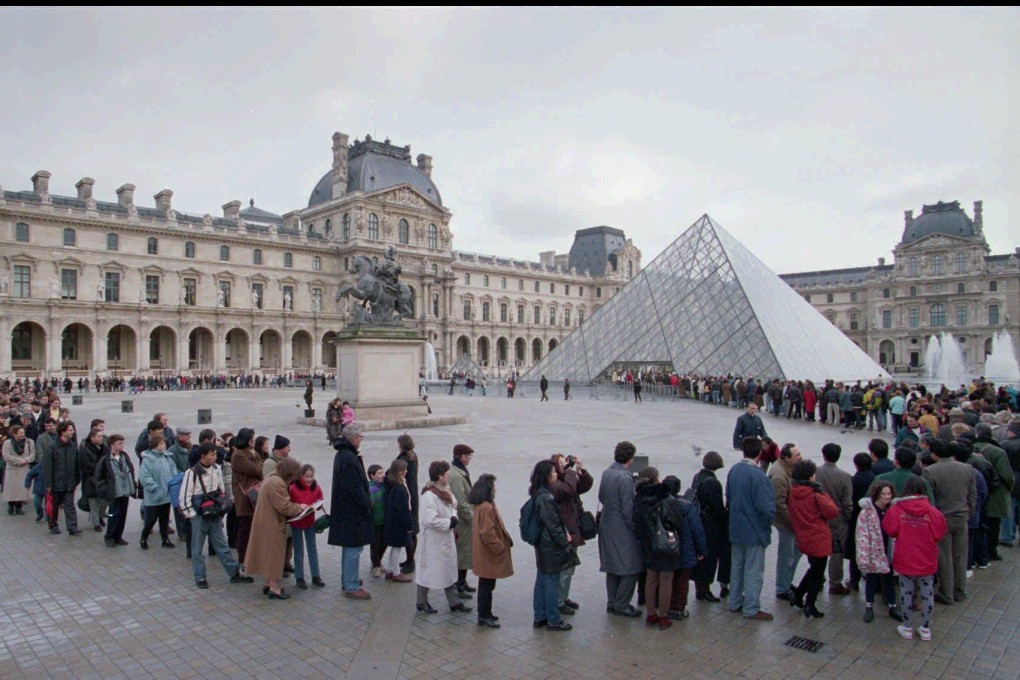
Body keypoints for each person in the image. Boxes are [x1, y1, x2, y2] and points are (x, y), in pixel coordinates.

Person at [179, 442, 254, 589]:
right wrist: (192, 514)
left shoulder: (216, 469)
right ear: (203, 456)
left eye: (215, 454)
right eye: (212, 454)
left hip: (214, 513)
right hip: (199, 515)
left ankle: (233, 572)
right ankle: (200, 576)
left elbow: (221, 489)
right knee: (197, 549)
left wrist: (221, 507)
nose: (215, 457)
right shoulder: (192, 473)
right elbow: (184, 496)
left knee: (222, 545)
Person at [883, 476, 948, 641]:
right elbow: (939, 534)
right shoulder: (933, 512)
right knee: (927, 592)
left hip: (905, 555)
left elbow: (890, 529)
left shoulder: (898, 509)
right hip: (926, 556)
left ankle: (907, 627)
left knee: (906, 591)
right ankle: (925, 628)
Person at [726, 436, 777, 620]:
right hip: (754, 529)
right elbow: (766, 507)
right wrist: (767, 524)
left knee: (737, 567)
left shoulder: (734, 470)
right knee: (754, 570)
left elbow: (729, 497)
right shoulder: (758, 475)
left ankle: (734, 602)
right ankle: (751, 608)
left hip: (736, 527)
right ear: (759, 453)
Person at [922, 439, 976, 605]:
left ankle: (946, 593)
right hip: (961, 517)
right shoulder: (967, 468)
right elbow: (972, 496)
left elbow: (929, 500)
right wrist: (968, 513)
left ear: (934, 453)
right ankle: (960, 591)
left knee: (944, 557)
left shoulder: (930, 471)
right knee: (960, 556)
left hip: (942, 518)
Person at [246, 457, 308, 599]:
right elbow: (284, 506)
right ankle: (274, 588)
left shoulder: (272, 478)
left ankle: (268, 584)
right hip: (271, 523)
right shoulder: (277, 483)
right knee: (274, 554)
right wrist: (300, 507)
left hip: (266, 520)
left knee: (268, 553)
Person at [416, 460, 472, 615]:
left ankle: (455, 602)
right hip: (434, 540)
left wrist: (453, 518)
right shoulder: (429, 495)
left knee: (448, 569)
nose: (449, 477)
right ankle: (421, 601)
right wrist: (449, 523)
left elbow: (453, 506)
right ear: (440, 476)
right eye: (447, 474)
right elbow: (429, 520)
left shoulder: (445, 490)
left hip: (445, 538)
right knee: (429, 571)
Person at [327, 423, 374, 600]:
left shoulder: (345, 455)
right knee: (354, 547)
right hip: (351, 512)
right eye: (360, 437)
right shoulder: (348, 458)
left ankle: (348, 578)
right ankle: (351, 585)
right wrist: (367, 503)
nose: (361, 440)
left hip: (346, 510)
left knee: (350, 547)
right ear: (353, 439)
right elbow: (354, 488)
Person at [786, 460, 838, 618]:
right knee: (817, 573)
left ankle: (798, 596)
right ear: (810, 476)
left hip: (803, 536)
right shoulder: (815, 494)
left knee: (813, 569)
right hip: (819, 537)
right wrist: (824, 493)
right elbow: (833, 511)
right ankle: (810, 604)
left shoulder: (793, 492)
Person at [598, 441, 644, 617]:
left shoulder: (607, 472)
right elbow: (628, 510)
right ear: (631, 458)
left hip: (607, 524)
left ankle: (612, 601)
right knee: (630, 567)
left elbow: (601, 496)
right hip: (622, 529)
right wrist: (637, 529)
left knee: (612, 567)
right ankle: (622, 604)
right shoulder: (625, 478)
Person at [530, 459, 574, 631]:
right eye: (554, 473)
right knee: (551, 583)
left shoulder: (537, 493)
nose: (556, 474)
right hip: (550, 546)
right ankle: (553, 620)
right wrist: (565, 543)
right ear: (546, 476)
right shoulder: (546, 497)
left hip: (542, 544)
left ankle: (540, 616)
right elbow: (553, 525)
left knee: (542, 580)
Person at [549, 453, 593, 615]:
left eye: (565, 462)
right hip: (565, 531)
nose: (564, 465)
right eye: (561, 463)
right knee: (564, 568)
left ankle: (563, 596)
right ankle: (559, 601)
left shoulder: (567, 479)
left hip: (573, 528)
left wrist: (582, 471)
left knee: (570, 567)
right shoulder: (556, 484)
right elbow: (568, 491)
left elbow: (584, 487)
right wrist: (571, 472)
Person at [662, 475, 708, 622]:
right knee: (682, 580)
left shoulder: (659, 504)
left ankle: (667, 607)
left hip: (666, 548)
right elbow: (697, 530)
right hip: (685, 549)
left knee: (668, 580)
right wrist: (701, 550)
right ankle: (679, 609)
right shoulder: (687, 507)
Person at [469, 473, 513, 628]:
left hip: (483, 553)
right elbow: (487, 532)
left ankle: (486, 613)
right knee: (487, 585)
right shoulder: (486, 507)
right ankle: (484, 615)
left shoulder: (480, 505)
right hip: (488, 554)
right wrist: (499, 547)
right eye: (493, 487)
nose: (495, 490)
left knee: (486, 584)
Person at [855, 480, 902, 622]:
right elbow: (862, 534)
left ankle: (892, 606)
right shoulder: (866, 512)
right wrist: (864, 555)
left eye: (889, 493)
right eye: (883, 494)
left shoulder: (893, 509)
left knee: (890, 580)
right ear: (876, 494)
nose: (887, 497)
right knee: (871, 579)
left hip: (889, 549)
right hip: (873, 551)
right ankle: (869, 607)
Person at [814, 443, 853, 595]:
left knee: (819, 550)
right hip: (838, 519)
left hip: (819, 517)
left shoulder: (815, 472)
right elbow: (847, 502)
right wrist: (847, 517)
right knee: (836, 552)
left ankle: (818, 578)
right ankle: (835, 582)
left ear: (823, 455)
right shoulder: (845, 476)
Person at [692, 451, 730, 602]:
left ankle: (699, 589)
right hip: (710, 526)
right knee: (709, 559)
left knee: (701, 558)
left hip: (698, 522)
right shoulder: (713, 482)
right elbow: (717, 509)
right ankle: (705, 589)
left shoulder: (698, 477)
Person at [768, 443, 801, 602]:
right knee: (787, 555)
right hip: (786, 523)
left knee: (794, 552)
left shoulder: (786, 469)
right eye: (797, 455)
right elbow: (779, 504)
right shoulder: (779, 476)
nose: (800, 457)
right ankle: (782, 587)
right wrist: (793, 524)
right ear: (787, 458)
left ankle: (786, 582)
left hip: (790, 521)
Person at [230, 428, 263, 567]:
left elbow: (261, 469)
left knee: (254, 529)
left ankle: (254, 557)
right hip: (244, 496)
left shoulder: (252, 453)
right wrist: (255, 457)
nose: (253, 442)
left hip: (254, 494)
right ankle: (243, 560)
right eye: (251, 439)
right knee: (244, 529)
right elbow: (256, 470)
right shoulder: (238, 455)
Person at [94, 434, 135, 547]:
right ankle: (109, 536)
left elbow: (131, 470)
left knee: (122, 515)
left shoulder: (124, 456)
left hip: (125, 491)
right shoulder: (105, 460)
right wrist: (105, 491)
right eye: (119, 444)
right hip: (114, 493)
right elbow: (98, 478)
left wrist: (133, 486)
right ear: (112, 445)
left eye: (122, 443)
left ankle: (118, 536)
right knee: (113, 515)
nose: (122, 446)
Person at [289, 463, 325, 589]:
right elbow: (289, 503)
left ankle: (316, 575)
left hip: (309, 521)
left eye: (311, 476)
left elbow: (320, 498)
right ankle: (299, 577)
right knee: (299, 550)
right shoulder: (293, 487)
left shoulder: (316, 486)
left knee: (312, 549)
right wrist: (299, 508)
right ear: (301, 476)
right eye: (307, 477)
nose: (309, 479)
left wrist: (318, 504)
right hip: (297, 522)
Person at [42, 421, 81, 535]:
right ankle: (53, 524)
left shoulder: (73, 446)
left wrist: (77, 479)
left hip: (70, 482)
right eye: (70, 430)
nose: (72, 432)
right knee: (54, 506)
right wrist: (48, 484)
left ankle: (72, 527)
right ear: (63, 431)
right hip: (56, 483)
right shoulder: (52, 447)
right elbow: (47, 467)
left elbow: (76, 465)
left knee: (69, 505)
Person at [139, 433, 176, 549]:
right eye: (161, 443)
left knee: (164, 520)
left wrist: (173, 484)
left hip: (166, 495)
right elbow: (144, 477)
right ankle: (143, 538)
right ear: (155, 445)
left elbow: (173, 471)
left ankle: (165, 539)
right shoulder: (148, 459)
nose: (164, 446)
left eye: (164, 443)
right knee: (151, 520)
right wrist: (155, 488)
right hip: (154, 496)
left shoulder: (167, 457)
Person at [448, 444, 476, 599]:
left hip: (464, 520)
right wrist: (472, 519)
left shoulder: (459, 471)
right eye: (469, 455)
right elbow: (461, 501)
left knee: (465, 553)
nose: (470, 458)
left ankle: (462, 581)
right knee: (462, 553)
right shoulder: (457, 475)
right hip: (463, 522)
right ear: (462, 456)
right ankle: (458, 585)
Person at [381, 459, 415, 583]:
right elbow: (403, 509)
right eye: (405, 470)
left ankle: (390, 570)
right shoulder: (399, 488)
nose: (407, 472)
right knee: (397, 548)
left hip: (391, 520)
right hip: (398, 523)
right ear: (401, 472)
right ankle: (396, 572)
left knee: (395, 547)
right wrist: (409, 525)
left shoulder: (389, 483)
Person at [396, 434, 420, 574]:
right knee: (412, 528)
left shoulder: (404, 459)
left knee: (410, 530)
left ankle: (410, 560)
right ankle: (410, 558)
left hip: (408, 496)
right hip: (413, 495)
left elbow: (393, 474)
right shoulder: (412, 456)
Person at [78, 427, 109, 531]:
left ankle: (100, 517)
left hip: (103, 479)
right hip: (90, 480)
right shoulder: (85, 449)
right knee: (94, 503)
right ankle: (96, 523)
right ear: (92, 438)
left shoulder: (104, 448)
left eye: (102, 436)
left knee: (104, 501)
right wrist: (100, 468)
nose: (101, 438)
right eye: (99, 436)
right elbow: (86, 465)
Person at [2, 423, 35, 516]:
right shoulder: (7, 443)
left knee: (22, 490)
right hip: (12, 469)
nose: (22, 435)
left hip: (24, 469)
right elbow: (6, 456)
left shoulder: (29, 442)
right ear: (14, 434)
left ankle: (19, 507)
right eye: (20, 433)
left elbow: (33, 454)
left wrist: (26, 460)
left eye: (23, 433)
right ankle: (11, 505)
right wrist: (19, 460)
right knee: (12, 490)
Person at [368, 464, 386, 578]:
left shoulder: (384, 486)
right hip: (374, 522)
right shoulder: (371, 489)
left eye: (382, 472)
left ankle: (378, 561)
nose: (382, 475)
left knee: (384, 542)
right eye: (379, 473)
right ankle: (376, 565)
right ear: (372, 476)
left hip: (384, 520)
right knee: (375, 544)